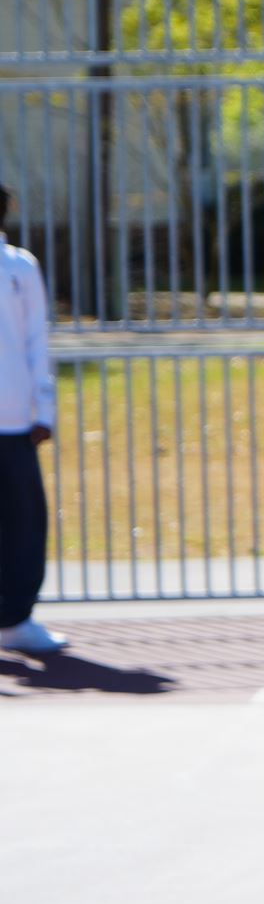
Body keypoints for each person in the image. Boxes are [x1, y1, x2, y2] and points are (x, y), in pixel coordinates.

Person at [0, 184, 59, 657]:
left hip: (15, 420)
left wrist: (45, 409)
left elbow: (37, 340)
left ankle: (15, 620)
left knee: (24, 522)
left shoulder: (19, 266)